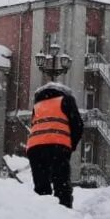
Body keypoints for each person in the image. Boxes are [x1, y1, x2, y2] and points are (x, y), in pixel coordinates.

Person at [27, 81, 84, 209]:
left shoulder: (38, 105)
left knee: (41, 186)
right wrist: (71, 146)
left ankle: (41, 214)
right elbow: (78, 125)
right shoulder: (66, 100)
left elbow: (34, 125)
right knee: (61, 183)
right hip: (57, 146)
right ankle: (64, 213)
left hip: (35, 147)